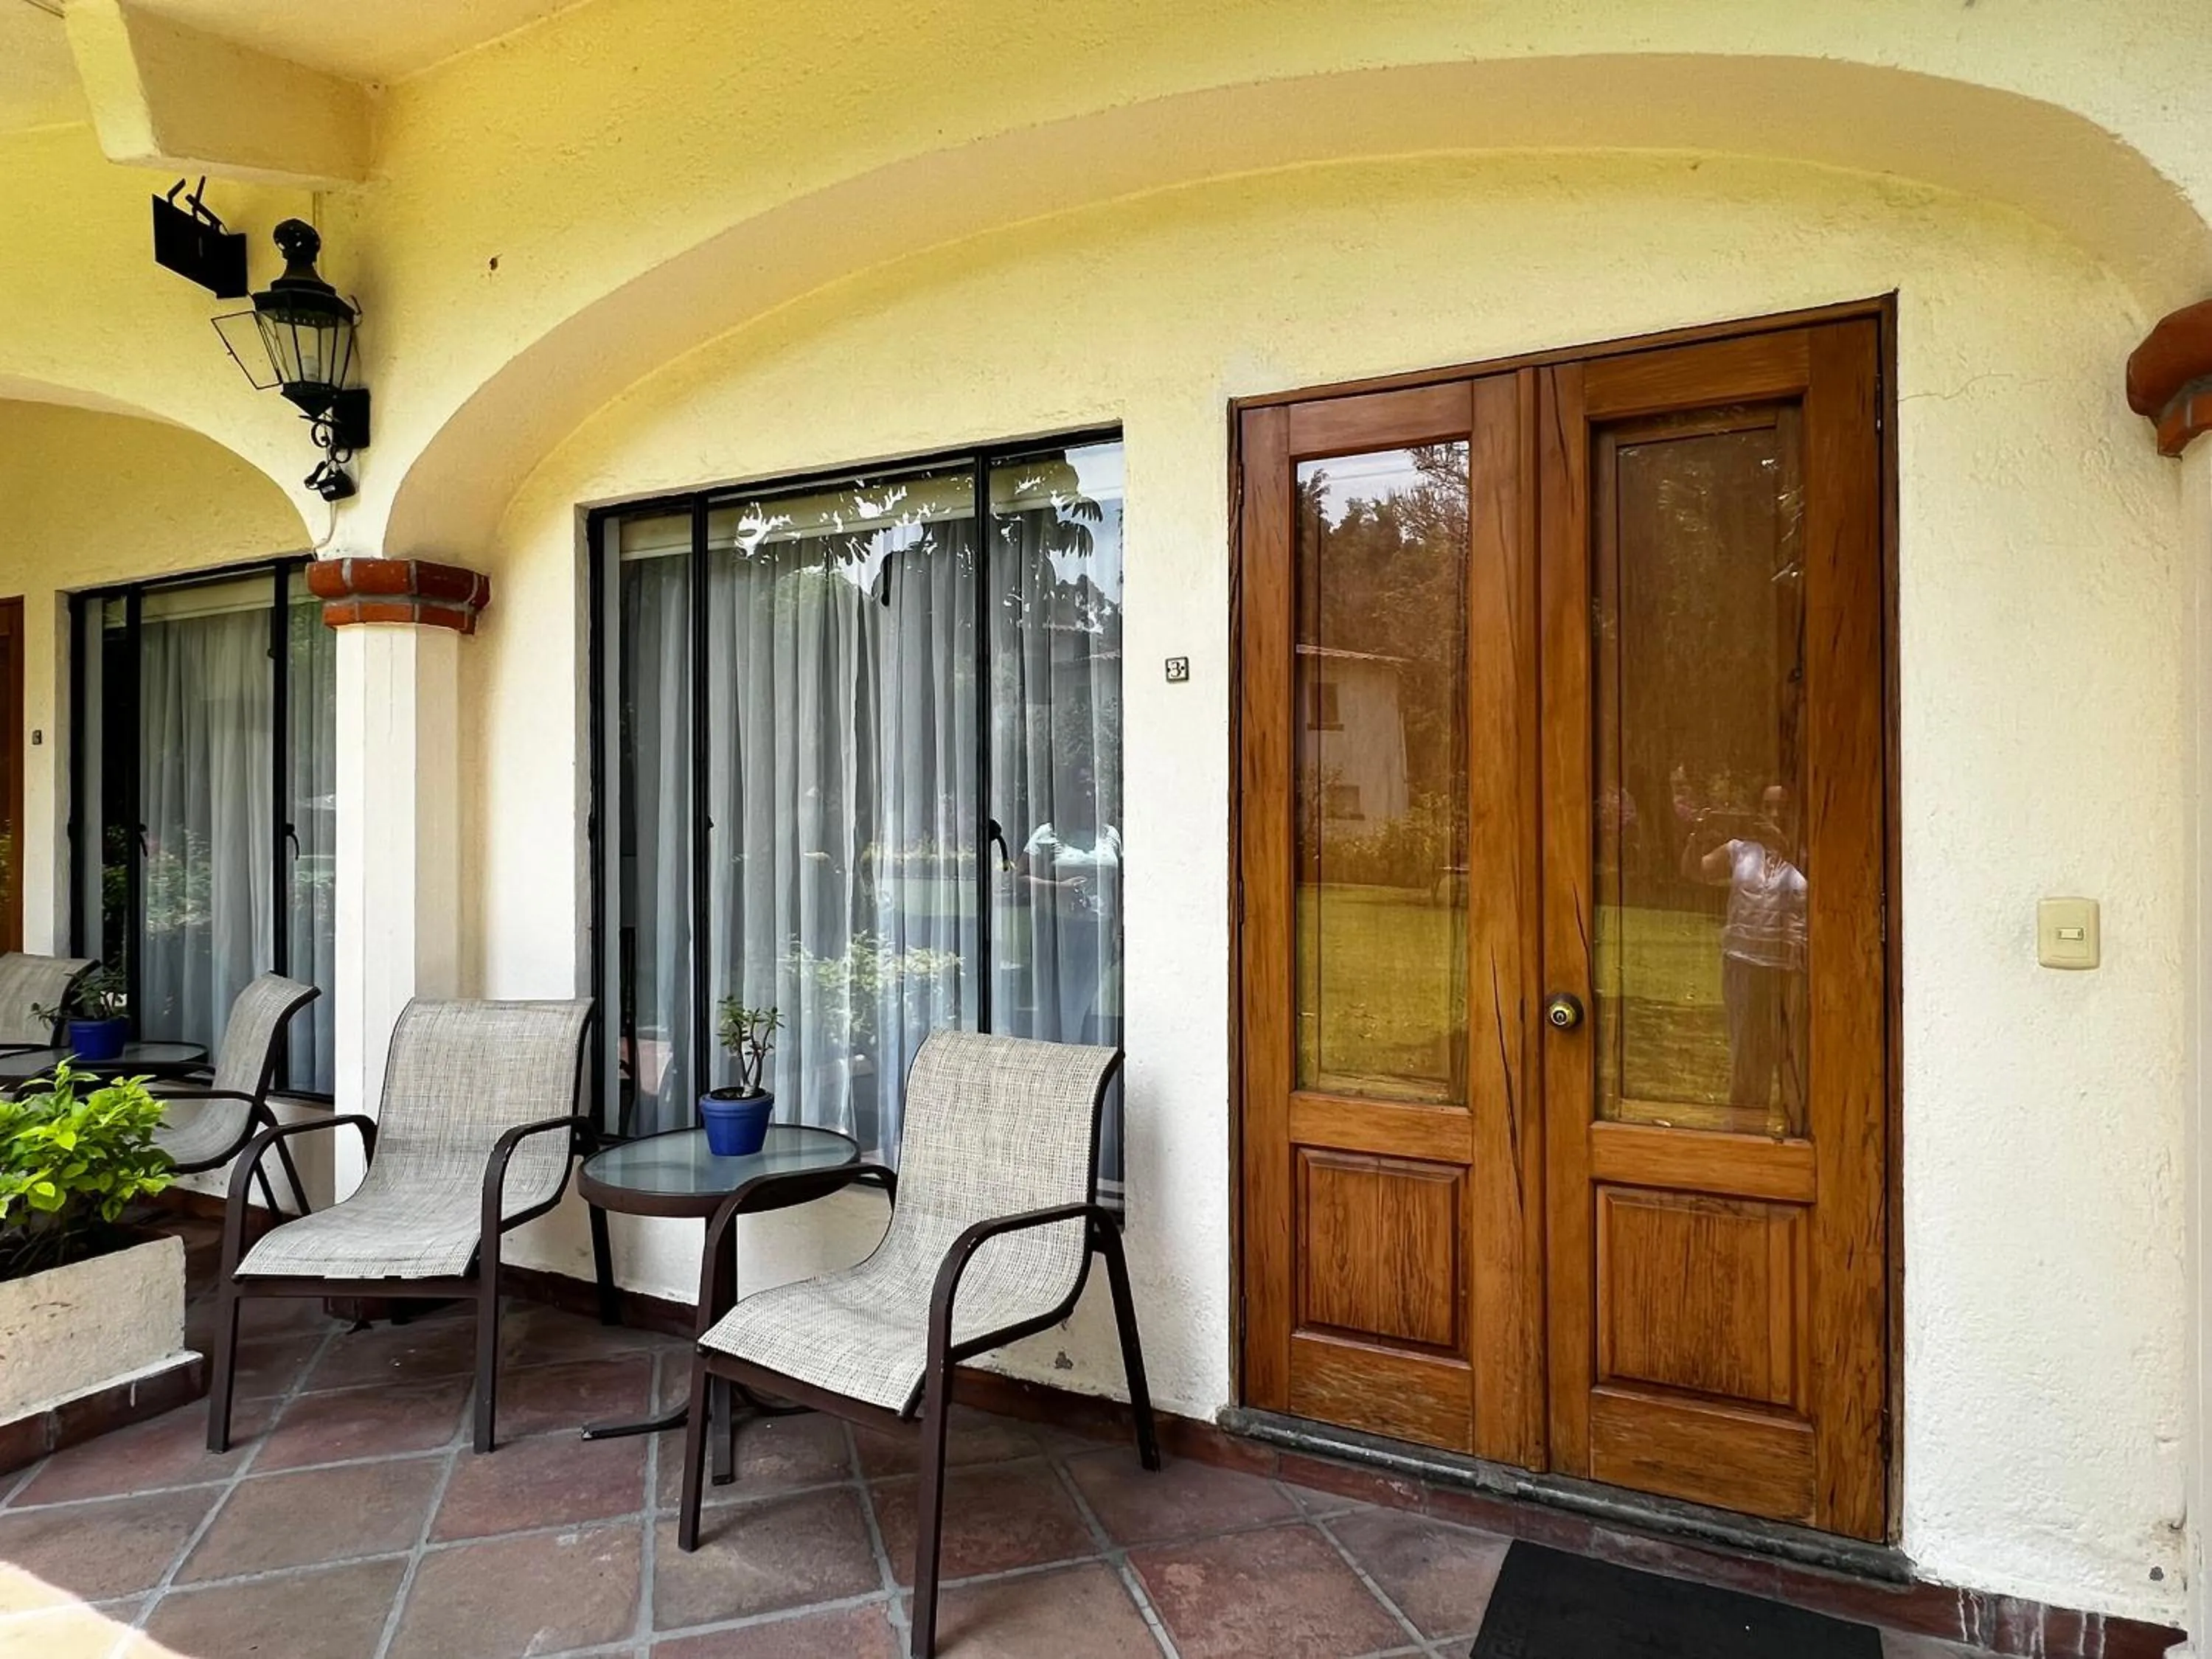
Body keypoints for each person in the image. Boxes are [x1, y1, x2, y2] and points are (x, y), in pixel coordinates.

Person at [1682, 783, 1806, 1126]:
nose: (1776, 814)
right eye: (1768, 807)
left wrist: (1786, 845)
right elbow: (1696, 871)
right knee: (1745, 1053)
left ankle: (1796, 1134)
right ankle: (1743, 1133)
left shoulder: (1808, 853)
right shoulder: (1740, 851)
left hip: (1790, 968)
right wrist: (1698, 834)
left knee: (1789, 1054)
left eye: (1783, 808)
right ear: (1758, 811)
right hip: (1742, 961)